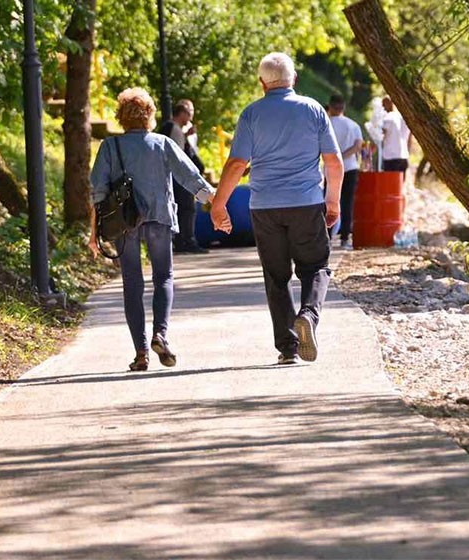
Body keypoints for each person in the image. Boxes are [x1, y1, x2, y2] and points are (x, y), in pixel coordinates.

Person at [210, 53, 343, 365]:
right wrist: (333, 200)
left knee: (276, 275)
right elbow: (334, 162)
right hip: (306, 202)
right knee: (315, 267)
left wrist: (219, 205)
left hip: (265, 206)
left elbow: (237, 164)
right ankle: (308, 315)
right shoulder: (313, 110)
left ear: (261, 83)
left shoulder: (251, 114)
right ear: (293, 79)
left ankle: (288, 348)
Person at [90, 88, 214, 372]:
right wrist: (215, 202)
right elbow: (189, 176)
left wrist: (93, 233)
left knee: (132, 284)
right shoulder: (162, 143)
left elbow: (97, 192)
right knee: (163, 277)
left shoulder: (110, 146)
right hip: (159, 217)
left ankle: (141, 353)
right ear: (149, 115)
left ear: (121, 117)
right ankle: (160, 333)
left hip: (124, 222)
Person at [158, 99, 208, 254]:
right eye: (190, 112)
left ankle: (182, 242)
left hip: (173, 176)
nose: (191, 116)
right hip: (178, 177)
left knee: (182, 209)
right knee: (187, 209)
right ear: (183, 113)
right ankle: (187, 242)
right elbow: (178, 156)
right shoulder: (175, 129)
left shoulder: (173, 129)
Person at [326, 94, 363, 249]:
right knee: (347, 203)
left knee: (328, 202)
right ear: (343, 107)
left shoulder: (325, 124)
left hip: (330, 168)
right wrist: (343, 156)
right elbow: (358, 145)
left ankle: (326, 237)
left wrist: (334, 157)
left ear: (330, 107)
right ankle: (345, 238)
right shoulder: (353, 125)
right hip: (350, 167)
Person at [380, 95, 411, 175]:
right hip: (403, 156)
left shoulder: (387, 118)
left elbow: (381, 135)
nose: (383, 108)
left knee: (390, 185)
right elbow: (409, 138)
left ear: (389, 103)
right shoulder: (404, 118)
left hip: (390, 158)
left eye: (383, 105)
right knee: (399, 186)